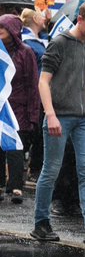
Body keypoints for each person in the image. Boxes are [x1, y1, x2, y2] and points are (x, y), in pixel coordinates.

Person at [30, 0, 85, 245]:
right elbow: (44, 82)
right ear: (81, 18)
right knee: (51, 170)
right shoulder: (60, 43)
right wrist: (50, 114)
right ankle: (41, 223)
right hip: (60, 115)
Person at [0, 14, 40, 203]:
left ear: (13, 30)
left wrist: (33, 115)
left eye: (4, 27)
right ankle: (1, 184)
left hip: (20, 108)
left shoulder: (26, 52)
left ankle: (16, 186)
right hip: (2, 104)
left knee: (16, 146)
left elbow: (33, 84)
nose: (0, 30)